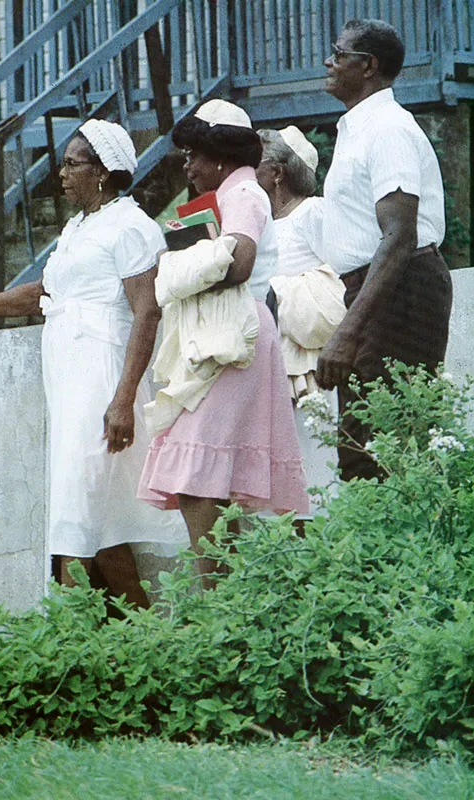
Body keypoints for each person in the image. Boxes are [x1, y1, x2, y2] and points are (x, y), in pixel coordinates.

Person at [0, 119, 188, 607]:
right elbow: (45, 293)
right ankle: (148, 639)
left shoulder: (131, 226)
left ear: (104, 172)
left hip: (102, 377)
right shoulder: (80, 226)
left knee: (75, 514)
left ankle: (62, 642)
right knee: (102, 524)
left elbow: (147, 312)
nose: (61, 174)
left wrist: (124, 400)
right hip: (70, 379)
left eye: (72, 164)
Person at [137, 99, 309, 587]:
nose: (187, 166)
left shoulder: (245, 194)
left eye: (193, 155)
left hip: (236, 335)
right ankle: (226, 593)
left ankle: (216, 593)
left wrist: (172, 271)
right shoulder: (228, 193)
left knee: (197, 470)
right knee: (206, 474)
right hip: (221, 331)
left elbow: (238, 262)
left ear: (218, 156)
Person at [316, 19, 453, 480]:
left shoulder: (388, 128)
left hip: (400, 289)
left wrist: (346, 334)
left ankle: (398, 552)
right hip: (380, 288)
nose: (328, 62)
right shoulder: (360, 127)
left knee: (379, 447)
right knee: (367, 447)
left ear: (368, 66)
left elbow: (399, 237)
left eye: (338, 53)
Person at [255, 126, 346, 490]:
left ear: (277, 173)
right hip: (271, 360)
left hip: (311, 365)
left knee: (316, 467)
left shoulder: (313, 212)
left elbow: (342, 283)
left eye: (255, 163)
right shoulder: (261, 225)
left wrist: (281, 291)